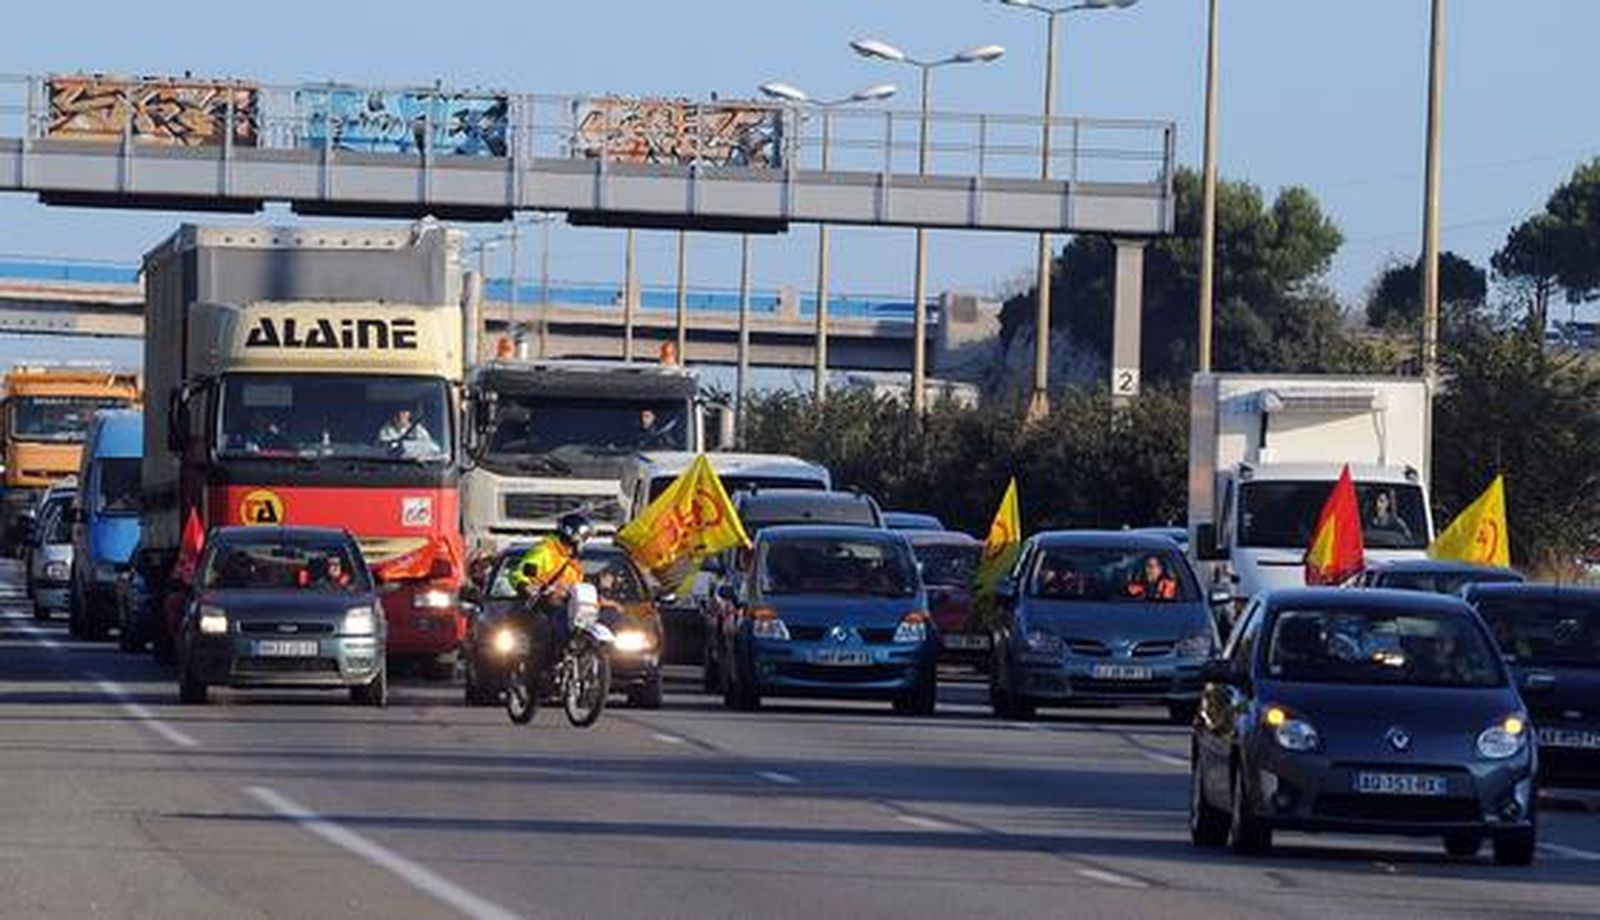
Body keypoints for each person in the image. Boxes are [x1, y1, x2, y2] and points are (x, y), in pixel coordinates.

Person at [508, 513, 594, 673]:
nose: (584, 543)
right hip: (543, 604)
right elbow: (520, 572)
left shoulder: (571, 560)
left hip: (566, 605)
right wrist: (525, 586)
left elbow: (576, 585)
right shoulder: (545, 551)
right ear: (574, 536)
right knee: (547, 635)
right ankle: (540, 671)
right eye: (584, 538)